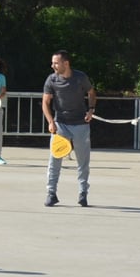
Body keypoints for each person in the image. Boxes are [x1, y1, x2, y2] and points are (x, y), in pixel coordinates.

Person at [41, 50, 96, 207]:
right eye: (52, 63)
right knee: (54, 159)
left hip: (81, 124)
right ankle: (51, 193)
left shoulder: (80, 78)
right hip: (61, 125)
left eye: (56, 63)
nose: (53, 66)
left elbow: (91, 92)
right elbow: (45, 102)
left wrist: (91, 109)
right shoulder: (51, 80)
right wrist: (51, 121)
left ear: (66, 63)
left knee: (82, 161)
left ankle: (83, 192)